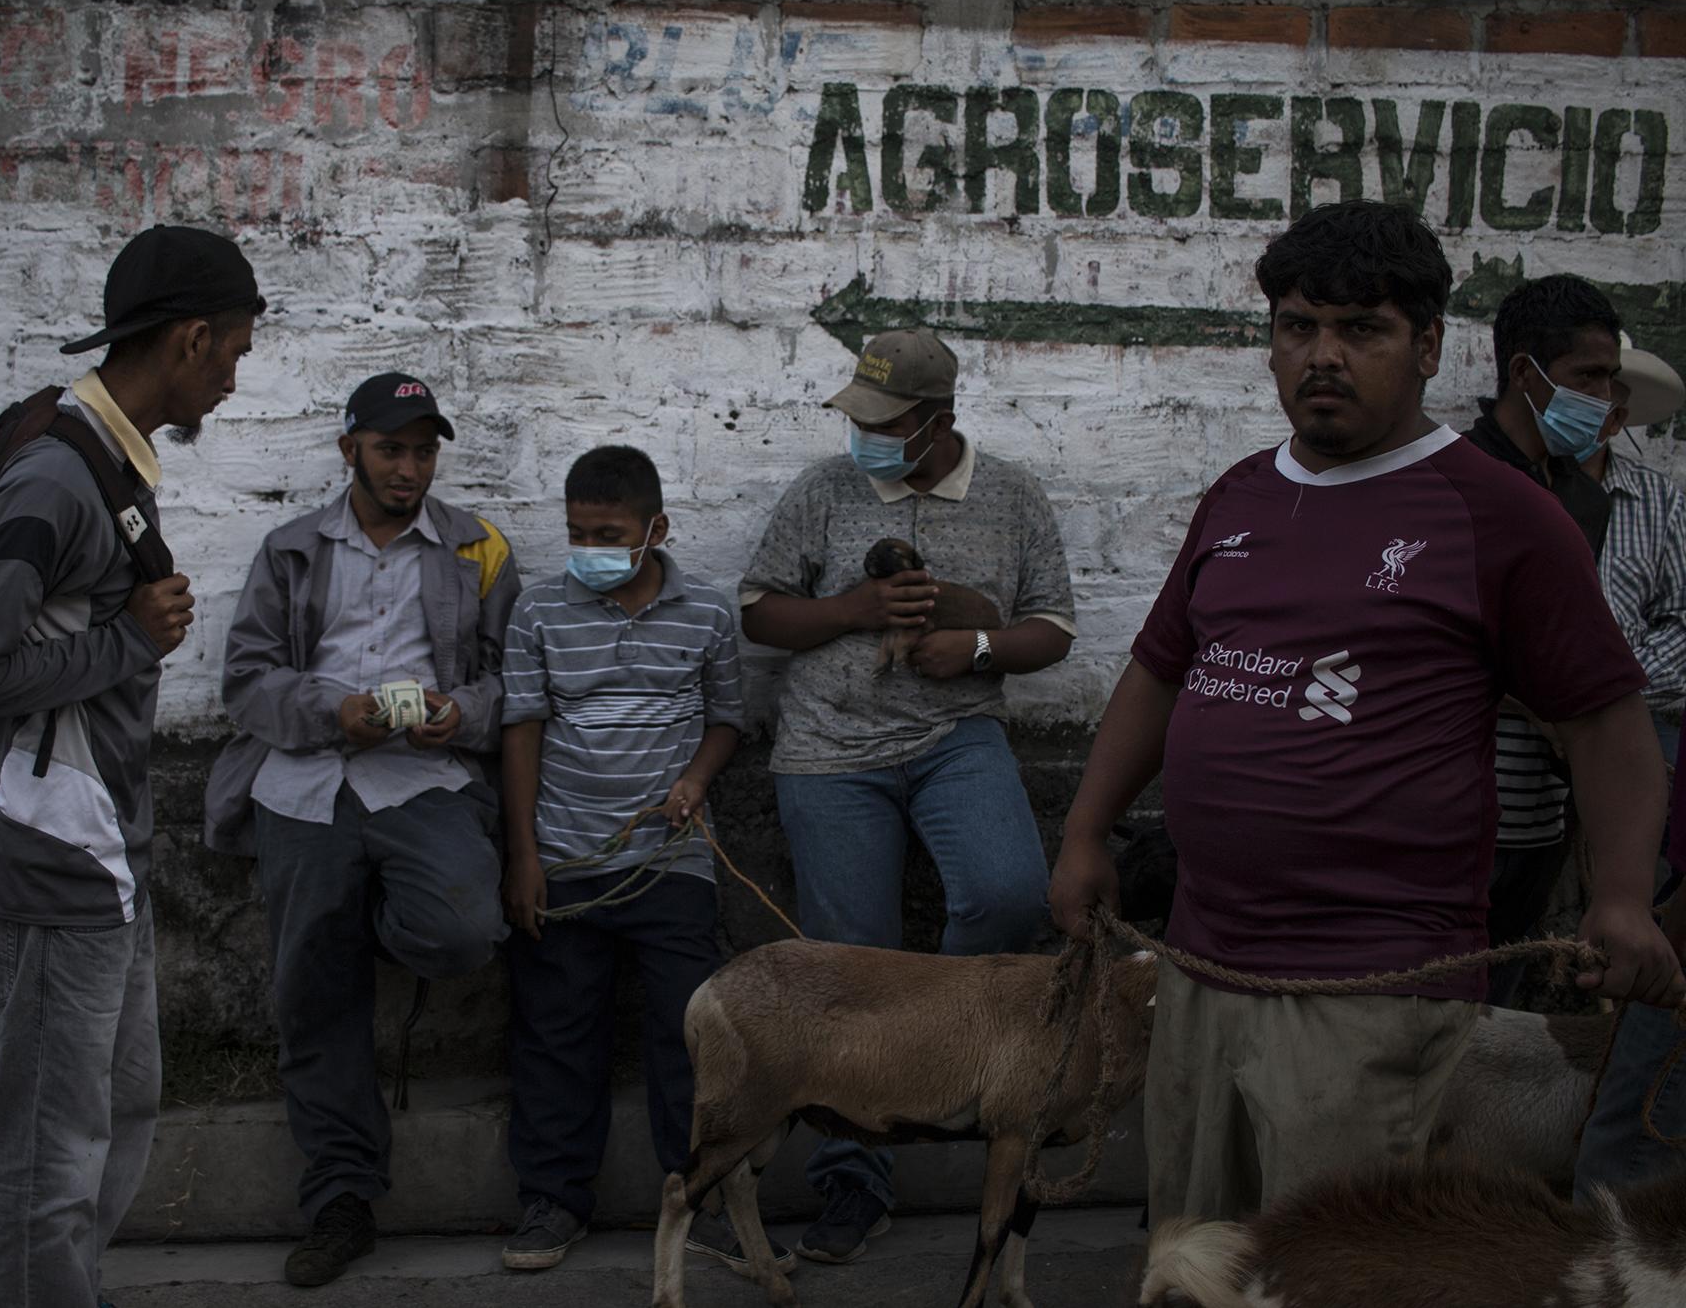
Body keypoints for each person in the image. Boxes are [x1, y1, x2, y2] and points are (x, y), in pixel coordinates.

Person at [1048, 199, 1684, 1228]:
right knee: (1196, 1259)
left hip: (1372, 990)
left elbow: (1603, 724)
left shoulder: (1495, 513)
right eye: (1297, 327)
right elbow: (1158, 673)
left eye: (1361, 330)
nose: (1321, 356)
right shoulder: (1240, 495)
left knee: (1334, 1268)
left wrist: (1617, 897)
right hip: (1202, 964)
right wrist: (1082, 834)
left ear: (1426, 345)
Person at [0, 224, 262, 1307]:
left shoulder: (106, 457)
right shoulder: (59, 477)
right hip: (48, 857)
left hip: (101, 849)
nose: (237, 380)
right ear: (191, 339)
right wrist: (127, 642)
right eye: (235, 352)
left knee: (119, 1109)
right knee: (48, 1152)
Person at [738, 328, 1074, 1262]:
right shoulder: (823, 491)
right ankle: (856, 1180)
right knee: (847, 970)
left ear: (939, 421)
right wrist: (854, 611)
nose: (867, 438)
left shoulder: (1010, 495)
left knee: (1009, 892)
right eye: (862, 419)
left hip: (954, 737)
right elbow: (758, 608)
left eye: (887, 424)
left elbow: (1054, 626)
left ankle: (940, 1048)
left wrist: (973, 649)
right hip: (827, 751)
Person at [203, 372, 515, 1287]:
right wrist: (333, 712)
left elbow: (514, 677)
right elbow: (248, 677)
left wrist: (464, 713)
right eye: (390, 449)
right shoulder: (292, 550)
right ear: (351, 450)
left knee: (463, 929)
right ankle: (341, 1196)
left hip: (423, 775)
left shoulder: (476, 548)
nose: (409, 467)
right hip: (305, 781)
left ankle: (357, 923)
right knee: (310, 997)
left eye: (423, 450)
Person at [497, 445, 785, 1275]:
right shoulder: (538, 612)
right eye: (576, 532)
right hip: (565, 856)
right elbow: (521, 728)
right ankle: (552, 1199)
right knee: (554, 1029)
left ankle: (696, 1194)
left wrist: (695, 780)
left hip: (673, 861)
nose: (589, 547)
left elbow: (727, 718)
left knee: (688, 1030)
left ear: (656, 529)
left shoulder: (703, 615)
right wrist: (524, 856)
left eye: (608, 533)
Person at [1461, 274, 1625, 1004]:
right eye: (1587, 376)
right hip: (1465, 802)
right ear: (1525, 375)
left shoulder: (1579, 496)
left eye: (1610, 379)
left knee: (1495, 990)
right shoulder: (1461, 484)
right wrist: (1560, 707)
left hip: (1541, 810)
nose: (1605, 397)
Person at [1572, 334, 1686, 1195]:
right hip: (1527, 732)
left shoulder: (1658, 501)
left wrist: (1616, 674)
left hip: (1643, 720)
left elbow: (1681, 621)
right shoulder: (1512, 492)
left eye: (1613, 396)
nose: (1599, 410)